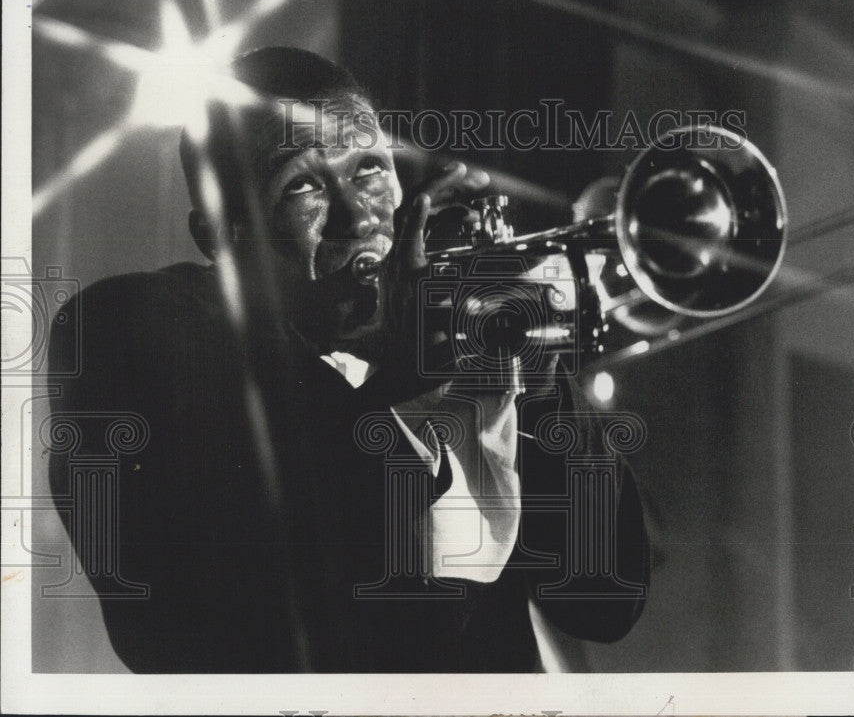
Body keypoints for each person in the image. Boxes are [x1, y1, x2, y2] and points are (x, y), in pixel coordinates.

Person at [46, 46, 649, 673]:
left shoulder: (445, 343)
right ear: (221, 236)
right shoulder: (129, 331)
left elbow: (605, 601)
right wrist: (402, 386)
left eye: (368, 169)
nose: (359, 216)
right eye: (302, 185)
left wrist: (542, 390)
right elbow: (213, 636)